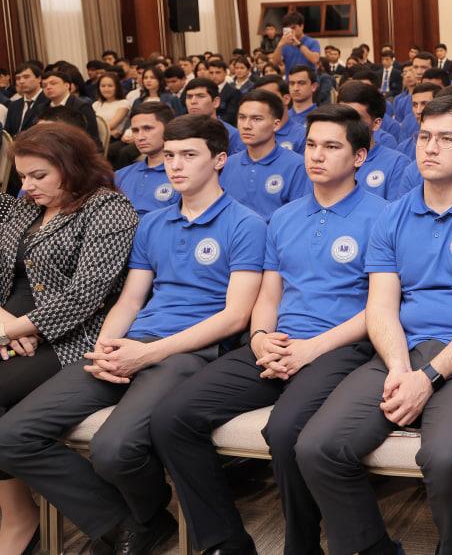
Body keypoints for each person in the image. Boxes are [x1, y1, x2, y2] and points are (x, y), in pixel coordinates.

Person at [0, 116, 265, 555]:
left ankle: (145, 514)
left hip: (188, 352)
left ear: (220, 160)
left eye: (189, 155)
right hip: (131, 342)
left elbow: (235, 317)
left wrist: (148, 353)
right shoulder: (154, 223)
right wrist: (105, 345)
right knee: (10, 436)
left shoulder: (246, 224)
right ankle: (130, 520)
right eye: (170, 155)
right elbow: (130, 300)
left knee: (114, 448)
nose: (175, 165)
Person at [150, 105, 386, 555]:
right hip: (277, 343)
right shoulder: (284, 217)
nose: (316, 156)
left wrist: (310, 349)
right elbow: (269, 296)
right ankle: (225, 542)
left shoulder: (384, 217)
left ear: (359, 157)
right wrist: (260, 338)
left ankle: (302, 545)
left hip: (343, 345)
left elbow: (380, 307)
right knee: (171, 418)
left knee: (285, 430)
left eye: (331, 146)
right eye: (311, 145)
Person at [297, 96, 452, 555]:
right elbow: (381, 305)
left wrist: (429, 377)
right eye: (424, 137)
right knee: (317, 448)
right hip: (402, 350)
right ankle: (373, 548)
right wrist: (401, 368)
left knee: (445, 458)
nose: (431, 148)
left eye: (446, 138)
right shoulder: (394, 214)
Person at [0, 125, 138, 555]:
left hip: (71, 338)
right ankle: (21, 517)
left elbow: (86, 296)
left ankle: (112, 517)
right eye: (22, 176)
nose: (27, 186)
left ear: (71, 166)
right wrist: (7, 322)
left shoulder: (108, 208)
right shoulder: (24, 208)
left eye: (38, 175)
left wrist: (16, 330)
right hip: (13, 329)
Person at [221, 89, 309, 220]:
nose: (246, 126)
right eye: (242, 117)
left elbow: (298, 218)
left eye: (256, 119)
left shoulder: (297, 166)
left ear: (276, 125)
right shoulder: (227, 164)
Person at [336, 82, 412, 200]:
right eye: (341, 115)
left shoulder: (397, 164)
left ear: (376, 123)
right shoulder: (325, 158)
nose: (346, 123)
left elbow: (396, 209)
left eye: (355, 118)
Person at [114, 103, 180, 216]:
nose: (140, 137)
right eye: (135, 130)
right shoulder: (120, 175)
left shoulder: (183, 175)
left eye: (147, 128)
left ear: (168, 129)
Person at [184, 78, 246, 155]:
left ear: (216, 102)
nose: (193, 101)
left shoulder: (232, 135)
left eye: (200, 96)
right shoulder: (180, 130)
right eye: (189, 97)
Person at [39, 67, 97, 140]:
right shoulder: (41, 108)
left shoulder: (81, 106)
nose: (48, 87)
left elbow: (91, 136)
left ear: (67, 85)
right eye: (44, 85)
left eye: (53, 83)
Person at [4, 63, 46, 138]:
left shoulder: (48, 101)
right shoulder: (14, 105)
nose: (21, 81)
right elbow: (7, 133)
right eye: (18, 78)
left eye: (26, 77)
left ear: (39, 79)